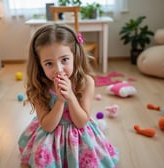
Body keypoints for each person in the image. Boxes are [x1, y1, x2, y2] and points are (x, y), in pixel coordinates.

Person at [18, 24, 119, 168]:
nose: (58, 70)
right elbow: (47, 126)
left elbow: (81, 122)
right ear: (39, 65)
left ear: (75, 56)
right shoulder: (40, 86)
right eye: (48, 64)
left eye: (64, 60)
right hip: (51, 133)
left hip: (78, 134)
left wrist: (71, 96)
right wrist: (60, 101)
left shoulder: (85, 82)